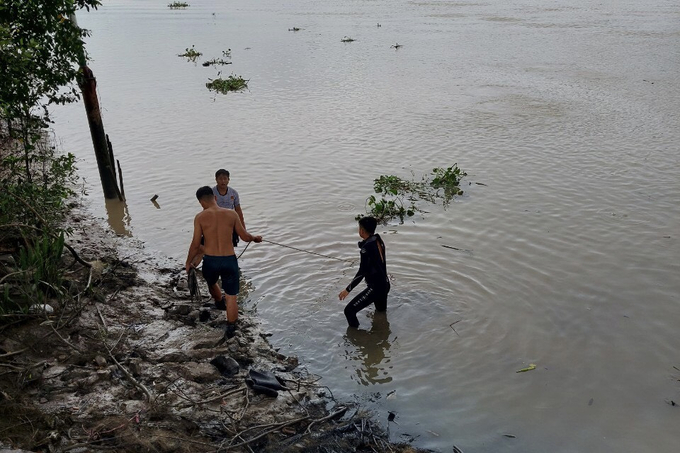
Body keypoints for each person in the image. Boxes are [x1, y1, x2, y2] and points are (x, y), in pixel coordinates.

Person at [186, 186, 262, 338]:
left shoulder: (200, 217)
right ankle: (231, 327)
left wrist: (189, 262)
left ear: (201, 202)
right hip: (229, 260)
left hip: (211, 260)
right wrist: (255, 238)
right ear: (214, 197)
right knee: (232, 296)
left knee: (211, 282)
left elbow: (195, 244)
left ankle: (219, 302)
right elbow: (245, 236)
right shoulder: (231, 214)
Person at [338, 217, 390, 328]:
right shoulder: (378, 240)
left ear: (361, 231)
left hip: (375, 288)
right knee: (381, 312)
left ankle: (356, 337)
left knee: (349, 311)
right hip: (385, 285)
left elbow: (362, 272)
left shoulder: (366, 248)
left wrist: (348, 289)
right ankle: (382, 334)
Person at [212, 169, 245, 247]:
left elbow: (238, 210)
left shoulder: (233, 193)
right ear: (216, 180)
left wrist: (243, 228)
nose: (223, 181)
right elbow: (206, 209)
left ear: (228, 180)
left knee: (231, 244)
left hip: (230, 222)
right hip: (216, 222)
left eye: (225, 179)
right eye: (220, 179)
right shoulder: (211, 192)